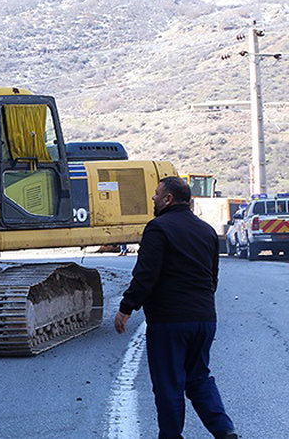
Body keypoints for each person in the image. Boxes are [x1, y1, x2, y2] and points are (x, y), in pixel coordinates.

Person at [114, 176, 238, 439]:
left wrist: (126, 308)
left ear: (168, 199)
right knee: (199, 378)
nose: (153, 198)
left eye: (157, 194)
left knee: (169, 383)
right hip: (204, 319)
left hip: (169, 322)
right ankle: (225, 431)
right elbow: (212, 278)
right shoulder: (207, 231)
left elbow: (146, 275)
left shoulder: (158, 228)